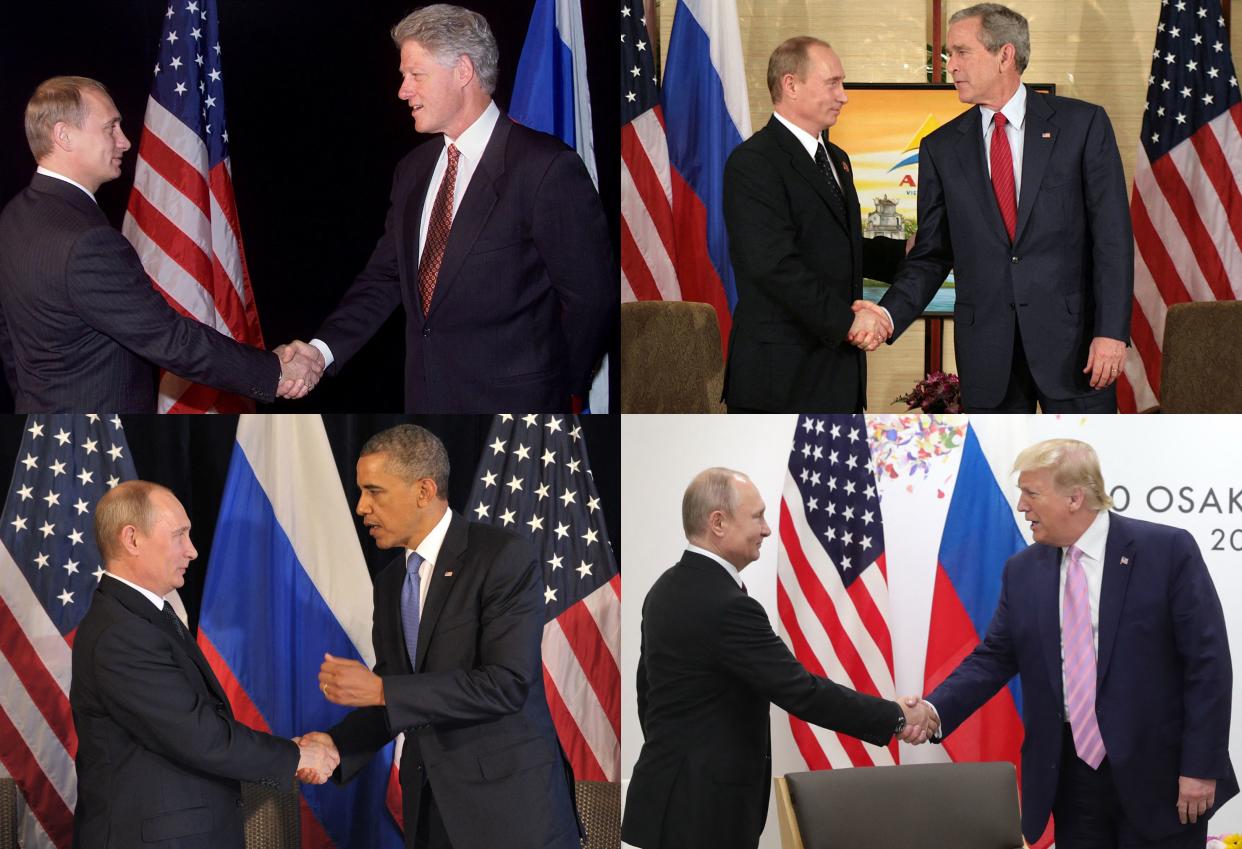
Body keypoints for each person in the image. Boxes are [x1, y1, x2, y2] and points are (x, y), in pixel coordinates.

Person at [285, 4, 613, 413]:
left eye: (415, 75)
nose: (402, 90)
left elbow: (592, 300)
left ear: (463, 71)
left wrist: (555, 386)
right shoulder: (413, 170)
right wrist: (321, 351)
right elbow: (385, 278)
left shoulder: (544, 168)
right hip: (426, 408)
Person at [921, 439, 1236, 848]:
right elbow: (995, 657)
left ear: (1075, 497)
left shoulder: (1166, 551)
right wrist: (933, 709)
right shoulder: (1022, 571)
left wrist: (1200, 766)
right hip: (1071, 779)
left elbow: (1208, 665)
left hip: (1162, 776)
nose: (1021, 506)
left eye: (1032, 493)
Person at [622, 468, 937, 849]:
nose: (767, 529)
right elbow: (801, 691)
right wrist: (897, 716)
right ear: (718, 522)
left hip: (667, 800)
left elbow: (648, 695)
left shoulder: (666, 588)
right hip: (704, 814)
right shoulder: (726, 605)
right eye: (757, 516)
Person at [305, 424, 579, 849]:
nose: (362, 507)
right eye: (361, 492)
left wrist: (382, 690)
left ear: (423, 490)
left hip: (510, 814)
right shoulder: (391, 580)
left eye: (375, 491)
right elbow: (399, 689)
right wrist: (338, 744)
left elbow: (505, 684)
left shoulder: (502, 556)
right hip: (429, 812)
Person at [854, 3, 1133, 412]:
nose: (951, 66)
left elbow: (1113, 241)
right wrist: (888, 315)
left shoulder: (1083, 126)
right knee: (996, 474)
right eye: (949, 54)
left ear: (1005, 55)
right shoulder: (941, 148)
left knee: (1082, 473)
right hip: (988, 357)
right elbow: (931, 253)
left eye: (962, 52)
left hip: (1076, 351)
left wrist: (1111, 333)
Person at [0, 76, 322, 413]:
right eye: (110, 128)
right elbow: (170, 339)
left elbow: (11, 346)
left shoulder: (14, 217)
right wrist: (276, 371)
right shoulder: (87, 241)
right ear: (64, 135)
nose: (124, 142)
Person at [71, 481, 338, 849]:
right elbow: (200, 737)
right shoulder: (121, 633)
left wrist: (289, 752)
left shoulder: (144, 616)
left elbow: (197, 726)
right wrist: (296, 756)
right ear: (132, 540)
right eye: (179, 535)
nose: (192, 551)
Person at [721, 36, 908, 413]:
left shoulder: (836, 158)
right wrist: (849, 323)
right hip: (781, 376)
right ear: (790, 84)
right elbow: (773, 264)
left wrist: (905, 252)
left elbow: (839, 244)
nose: (844, 95)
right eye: (833, 83)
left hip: (837, 370)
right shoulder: (754, 162)